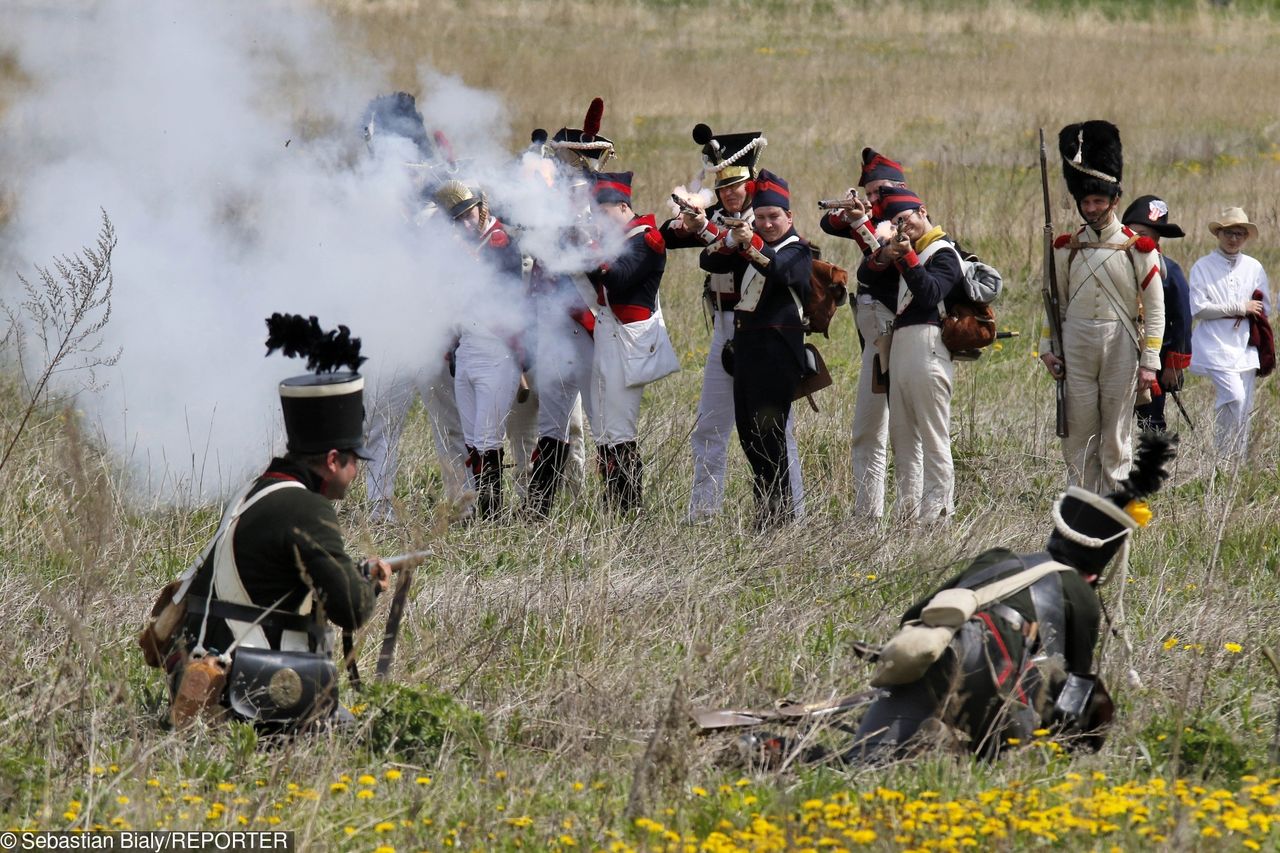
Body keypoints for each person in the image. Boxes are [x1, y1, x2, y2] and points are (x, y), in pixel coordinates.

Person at [848, 431, 1177, 763]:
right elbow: (1074, 688)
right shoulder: (1082, 595)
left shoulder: (999, 557)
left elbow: (916, 613)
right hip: (985, 670)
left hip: (928, 651)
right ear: (1098, 564)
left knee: (863, 762)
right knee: (1007, 763)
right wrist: (1068, 746)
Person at [165, 314, 392, 732]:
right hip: (249, 689)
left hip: (209, 668)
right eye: (353, 460)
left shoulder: (258, 489)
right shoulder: (306, 508)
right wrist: (371, 585)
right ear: (331, 461)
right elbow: (351, 610)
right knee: (363, 734)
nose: (357, 471)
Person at [661, 125, 804, 523]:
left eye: (737, 185)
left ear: (752, 182)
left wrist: (714, 231)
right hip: (724, 329)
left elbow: (755, 256)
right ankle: (703, 512)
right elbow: (668, 238)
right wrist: (690, 222)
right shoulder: (718, 218)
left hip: (764, 332)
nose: (729, 193)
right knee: (710, 426)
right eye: (723, 188)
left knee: (776, 432)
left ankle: (794, 513)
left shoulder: (764, 222)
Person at [358, 94, 470, 523]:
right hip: (392, 328)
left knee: (449, 424)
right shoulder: (374, 202)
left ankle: (462, 504)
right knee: (381, 422)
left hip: (436, 330)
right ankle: (378, 508)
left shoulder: (437, 205)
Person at [1039, 121, 1164, 493]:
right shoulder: (1065, 248)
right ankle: (1079, 508)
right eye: (1086, 201)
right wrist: (1048, 349)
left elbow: (1155, 310)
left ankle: (1114, 513)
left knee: (1116, 436)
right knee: (1078, 436)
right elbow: (1054, 306)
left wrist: (1150, 363)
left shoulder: (1138, 249)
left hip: (1120, 346)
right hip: (1075, 345)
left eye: (1098, 201)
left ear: (1113, 201)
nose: (1091, 208)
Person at [701, 170, 811, 528]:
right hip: (748, 351)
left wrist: (752, 244)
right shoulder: (749, 247)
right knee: (750, 438)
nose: (767, 223)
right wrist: (733, 240)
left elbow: (782, 272)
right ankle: (766, 515)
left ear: (789, 217)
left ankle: (781, 518)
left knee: (771, 436)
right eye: (761, 217)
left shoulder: (797, 249)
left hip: (777, 353)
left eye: (774, 217)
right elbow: (709, 261)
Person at [854, 188, 962, 521]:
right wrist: (890, 254)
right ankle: (908, 514)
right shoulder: (909, 253)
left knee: (932, 437)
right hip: (901, 347)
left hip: (928, 344)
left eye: (906, 219)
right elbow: (865, 274)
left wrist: (908, 259)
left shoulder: (944, 252)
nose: (904, 226)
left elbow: (930, 294)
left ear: (922, 211)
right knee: (903, 440)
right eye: (896, 222)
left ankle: (937, 515)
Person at [820, 148, 908, 518]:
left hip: (903, 334)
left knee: (907, 434)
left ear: (901, 187)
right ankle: (867, 516)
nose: (876, 198)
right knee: (868, 430)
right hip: (875, 337)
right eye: (870, 192)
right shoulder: (870, 216)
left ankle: (916, 517)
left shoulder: (910, 223)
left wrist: (863, 221)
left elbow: (884, 256)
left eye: (881, 190)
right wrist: (857, 212)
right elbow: (829, 223)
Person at [437, 180, 528, 518]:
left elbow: (497, 283)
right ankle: (478, 507)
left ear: (481, 208)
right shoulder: (462, 245)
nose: (463, 223)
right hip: (466, 350)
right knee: (473, 438)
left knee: (489, 438)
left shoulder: (501, 240)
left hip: (496, 349)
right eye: (455, 219)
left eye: (467, 214)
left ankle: (491, 513)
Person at [586, 171, 667, 512]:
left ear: (623, 206)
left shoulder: (646, 239)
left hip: (628, 340)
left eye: (603, 213)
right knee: (604, 427)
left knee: (619, 428)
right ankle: (613, 502)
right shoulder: (615, 239)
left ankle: (629, 507)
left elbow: (618, 279)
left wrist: (592, 252)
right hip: (607, 332)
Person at [1188, 207, 1271, 460]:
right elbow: (1198, 308)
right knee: (1233, 396)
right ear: (1218, 234)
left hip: (1245, 345)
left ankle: (1235, 462)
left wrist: (1252, 311)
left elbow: (1265, 306)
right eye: (1228, 233)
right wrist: (1238, 307)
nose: (1233, 238)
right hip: (1214, 344)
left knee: (1243, 405)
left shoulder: (1254, 267)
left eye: (1239, 233)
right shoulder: (1202, 266)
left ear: (1245, 236)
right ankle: (1224, 455)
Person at [1122, 195, 1192, 432]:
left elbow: (1182, 318)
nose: (1138, 239)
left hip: (1154, 357)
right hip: (1116, 352)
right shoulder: (1113, 266)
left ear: (1157, 238)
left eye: (1146, 234)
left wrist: (1173, 364)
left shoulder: (1169, 271)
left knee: (1151, 421)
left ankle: (1152, 467)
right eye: (1134, 232)